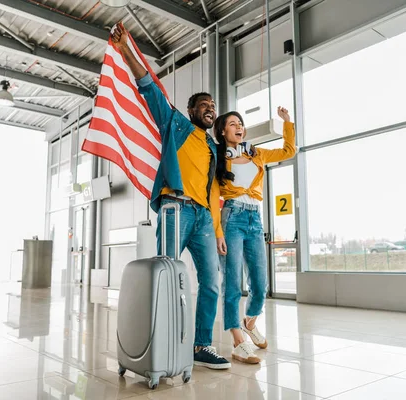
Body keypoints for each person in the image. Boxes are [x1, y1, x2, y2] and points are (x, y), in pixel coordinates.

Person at [110, 24, 231, 369]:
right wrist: (126, 52)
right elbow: (149, 88)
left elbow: (213, 189)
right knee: (167, 275)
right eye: (203, 105)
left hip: (204, 217)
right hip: (176, 209)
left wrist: (218, 229)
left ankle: (201, 345)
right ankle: (161, 340)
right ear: (192, 111)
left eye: (213, 106)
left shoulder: (212, 146)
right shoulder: (175, 124)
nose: (210, 108)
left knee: (211, 281)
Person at [214, 107, 296, 364]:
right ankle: (238, 342)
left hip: (254, 218)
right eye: (232, 123)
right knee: (232, 284)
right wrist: (218, 232)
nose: (238, 126)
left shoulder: (256, 154)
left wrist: (287, 123)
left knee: (260, 285)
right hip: (231, 217)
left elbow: (288, 151)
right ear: (223, 131)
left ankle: (249, 321)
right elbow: (210, 196)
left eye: (240, 123)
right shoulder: (218, 157)